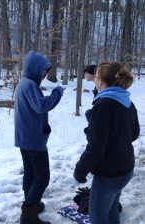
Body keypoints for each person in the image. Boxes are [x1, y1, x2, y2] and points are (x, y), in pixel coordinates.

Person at [74, 61, 140, 224]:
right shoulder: (126, 101)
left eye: (96, 76)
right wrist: (95, 130)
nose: (94, 79)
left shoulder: (103, 105)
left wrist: (80, 170)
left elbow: (95, 148)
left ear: (101, 81)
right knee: (111, 212)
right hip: (125, 169)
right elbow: (133, 134)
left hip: (109, 174)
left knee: (97, 218)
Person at [14, 51, 64, 224]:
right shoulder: (29, 85)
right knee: (42, 177)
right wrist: (57, 92)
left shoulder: (24, 83)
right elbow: (41, 106)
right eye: (43, 71)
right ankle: (28, 215)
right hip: (33, 139)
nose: (44, 74)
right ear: (34, 69)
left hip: (25, 138)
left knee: (30, 173)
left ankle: (31, 203)